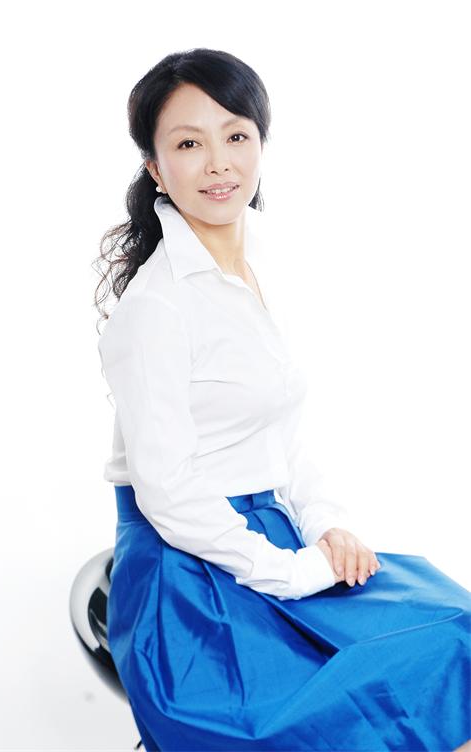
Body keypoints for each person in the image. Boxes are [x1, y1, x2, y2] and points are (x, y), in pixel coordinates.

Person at [94, 48, 471, 752]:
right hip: (189, 573)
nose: (218, 163)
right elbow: (168, 492)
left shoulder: (264, 267)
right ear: (156, 169)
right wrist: (294, 572)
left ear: (261, 144)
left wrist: (327, 526)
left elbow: (282, 433)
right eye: (188, 144)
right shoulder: (156, 308)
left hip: (273, 535)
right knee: (339, 712)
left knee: (458, 634)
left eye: (235, 135)